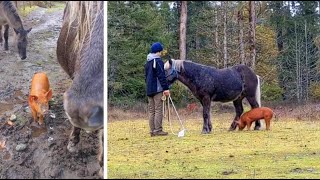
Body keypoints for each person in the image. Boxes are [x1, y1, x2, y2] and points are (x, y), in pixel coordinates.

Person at [144, 42, 170, 137]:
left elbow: (146, 77)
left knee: (152, 110)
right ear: (158, 51)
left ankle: (152, 130)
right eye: (160, 51)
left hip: (149, 89)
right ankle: (158, 130)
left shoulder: (147, 62)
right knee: (158, 109)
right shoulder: (158, 61)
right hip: (157, 89)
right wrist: (166, 88)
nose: (161, 53)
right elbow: (161, 76)